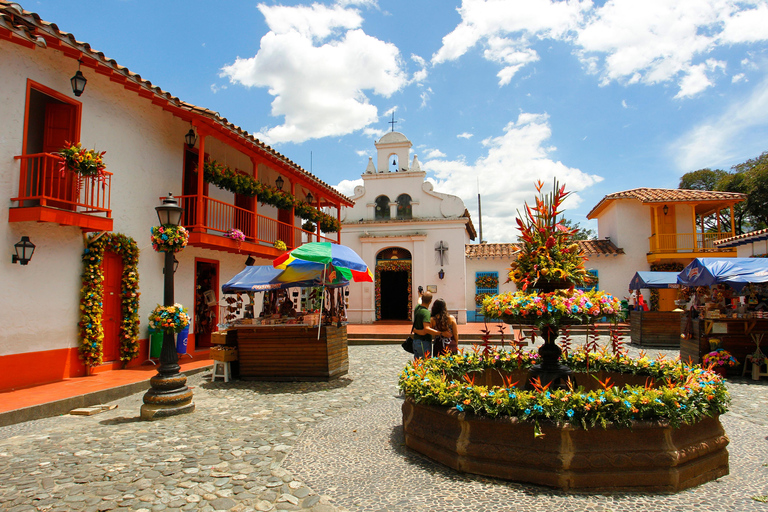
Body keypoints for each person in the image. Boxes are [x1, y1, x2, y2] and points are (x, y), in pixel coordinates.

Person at [412, 291, 433, 359]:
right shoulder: (426, 313)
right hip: (424, 342)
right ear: (430, 301)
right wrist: (440, 333)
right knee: (425, 364)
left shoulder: (417, 308)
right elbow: (426, 329)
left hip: (416, 341)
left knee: (417, 364)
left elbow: (419, 302)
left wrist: (420, 296)